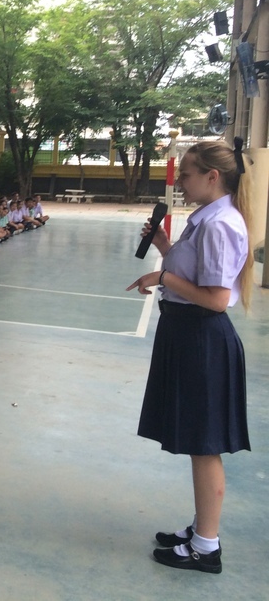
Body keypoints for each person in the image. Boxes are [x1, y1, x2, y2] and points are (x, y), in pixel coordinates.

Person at [127, 138, 253, 575]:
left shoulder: (220, 224)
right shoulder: (207, 220)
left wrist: (162, 275)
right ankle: (201, 527)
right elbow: (195, 274)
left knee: (205, 444)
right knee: (200, 441)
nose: (180, 181)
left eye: (186, 173)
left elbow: (216, 298)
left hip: (202, 337)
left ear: (212, 177)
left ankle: (206, 546)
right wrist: (164, 247)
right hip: (186, 334)